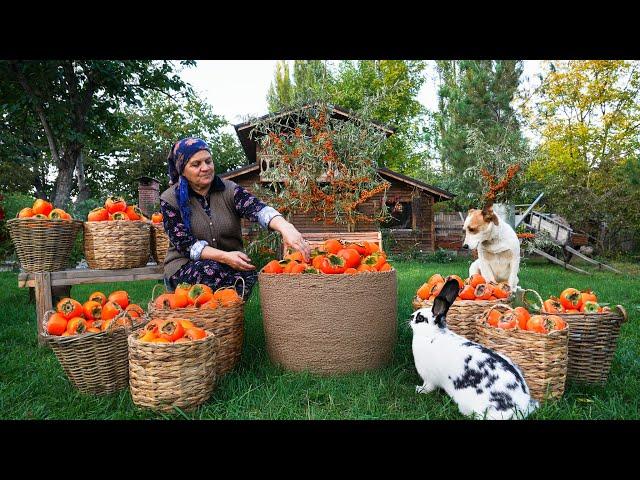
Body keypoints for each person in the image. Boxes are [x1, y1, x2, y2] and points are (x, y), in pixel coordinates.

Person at [159, 137, 310, 298]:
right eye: (196, 164)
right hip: (185, 266)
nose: (205, 168)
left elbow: (256, 208)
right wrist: (224, 257)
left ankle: (226, 318)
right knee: (210, 273)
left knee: (248, 274)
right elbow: (186, 245)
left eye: (208, 161)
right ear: (182, 169)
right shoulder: (170, 199)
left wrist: (286, 227)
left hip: (228, 265)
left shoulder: (229, 190)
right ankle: (204, 314)